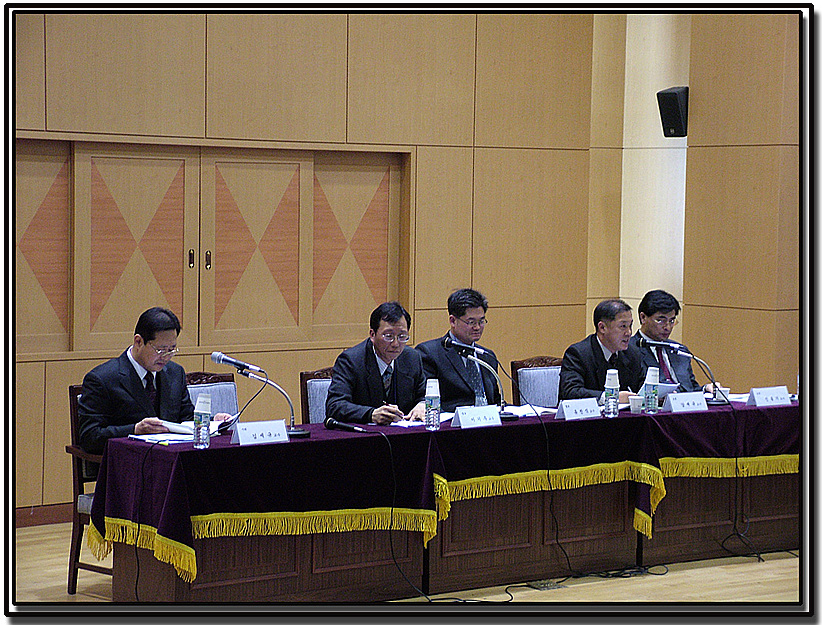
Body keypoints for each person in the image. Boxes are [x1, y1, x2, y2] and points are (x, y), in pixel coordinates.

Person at [78, 307, 230, 454]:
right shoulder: (102, 379)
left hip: (170, 459)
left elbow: (186, 419)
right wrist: (134, 429)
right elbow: (89, 437)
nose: (166, 357)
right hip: (128, 462)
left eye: (171, 350)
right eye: (160, 350)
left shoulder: (175, 373)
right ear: (138, 342)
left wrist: (212, 422)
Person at [325, 301, 426, 425]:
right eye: (388, 336)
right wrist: (371, 414)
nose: (395, 344)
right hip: (364, 434)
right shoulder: (351, 361)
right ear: (372, 335)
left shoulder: (412, 358)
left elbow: (425, 395)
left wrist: (423, 405)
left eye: (402, 336)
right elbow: (335, 406)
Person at [415, 288, 502, 412]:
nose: (477, 327)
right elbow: (427, 402)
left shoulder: (487, 356)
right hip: (453, 421)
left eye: (481, 321)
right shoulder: (429, 353)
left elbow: (496, 401)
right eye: (471, 322)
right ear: (453, 321)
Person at [559, 298, 643, 404]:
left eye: (630, 326)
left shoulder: (632, 353)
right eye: (623, 326)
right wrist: (609, 397)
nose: (629, 333)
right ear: (602, 327)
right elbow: (570, 392)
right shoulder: (578, 354)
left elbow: (641, 387)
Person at [630, 289, 711, 393]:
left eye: (672, 321)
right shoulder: (629, 350)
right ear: (643, 318)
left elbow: (691, 389)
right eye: (660, 320)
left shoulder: (680, 350)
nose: (667, 327)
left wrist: (706, 389)